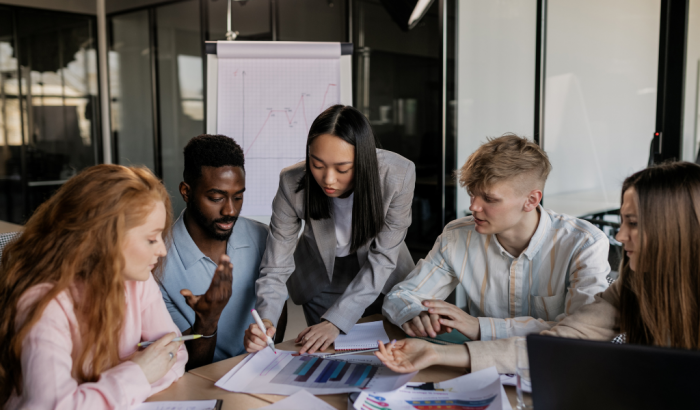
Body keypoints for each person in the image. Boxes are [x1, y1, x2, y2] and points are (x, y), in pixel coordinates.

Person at [375, 161, 700, 374]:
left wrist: (478, 326)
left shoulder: (584, 242)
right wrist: (435, 354)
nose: (620, 234)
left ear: (676, 228)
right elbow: (562, 343)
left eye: (633, 223)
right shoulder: (630, 286)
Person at [383, 134, 610, 341]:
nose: (473, 207)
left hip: (554, 369)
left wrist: (480, 327)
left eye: (489, 199)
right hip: (478, 368)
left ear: (531, 200)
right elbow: (402, 295)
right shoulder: (457, 237)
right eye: (472, 194)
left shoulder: (584, 244)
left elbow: (582, 333)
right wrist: (415, 314)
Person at [0, 165, 187, 409]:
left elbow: (176, 354)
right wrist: (138, 374)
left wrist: (96, 393)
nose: (162, 251)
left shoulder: (136, 281)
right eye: (151, 239)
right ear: (102, 239)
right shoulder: (44, 302)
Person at [244, 104, 416, 354]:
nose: (328, 179)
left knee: (385, 355)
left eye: (342, 168)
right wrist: (266, 320)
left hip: (381, 275)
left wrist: (337, 320)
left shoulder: (398, 175)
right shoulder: (292, 182)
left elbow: (382, 259)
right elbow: (276, 264)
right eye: (317, 164)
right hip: (320, 277)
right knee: (328, 356)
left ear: (364, 160)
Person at [159, 134, 276, 368]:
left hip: (261, 374)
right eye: (216, 198)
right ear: (186, 191)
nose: (231, 210)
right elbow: (188, 367)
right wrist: (207, 322)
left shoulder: (264, 238)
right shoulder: (158, 262)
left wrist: (266, 336)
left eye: (238, 196)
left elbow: (275, 326)